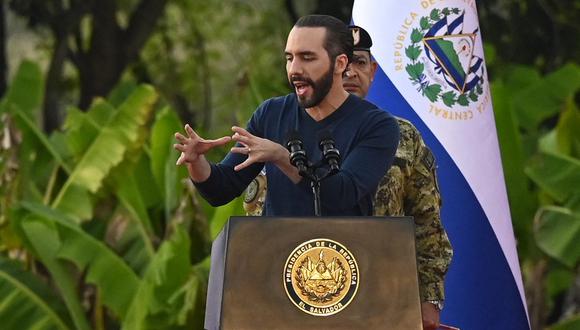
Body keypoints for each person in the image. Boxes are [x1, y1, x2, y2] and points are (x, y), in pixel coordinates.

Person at [244, 25, 453, 330]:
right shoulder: (284, 130)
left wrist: (428, 302)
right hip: (296, 293)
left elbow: (426, 222)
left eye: (361, 63)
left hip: (380, 295)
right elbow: (258, 217)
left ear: (374, 71)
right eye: (346, 62)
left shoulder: (401, 136)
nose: (352, 72)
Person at [174, 15, 400, 216]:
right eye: (290, 58)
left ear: (340, 63)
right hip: (280, 256)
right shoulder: (271, 113)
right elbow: (222, 189)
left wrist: (282, 157)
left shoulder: (377, 125)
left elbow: (341, 194)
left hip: (344, 257)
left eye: (307, 58)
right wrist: (197, 162)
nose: (294, 70)